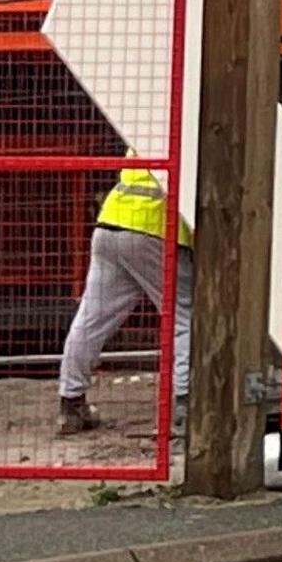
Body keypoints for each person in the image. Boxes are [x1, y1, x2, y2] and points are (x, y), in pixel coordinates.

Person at [55, 166, 191, 437]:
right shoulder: (190, 132)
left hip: (111, 224)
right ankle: (186, 404)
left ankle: (70, 405)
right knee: (185, 316)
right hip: (156, 229)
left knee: (91, 318)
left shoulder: (147, 134)